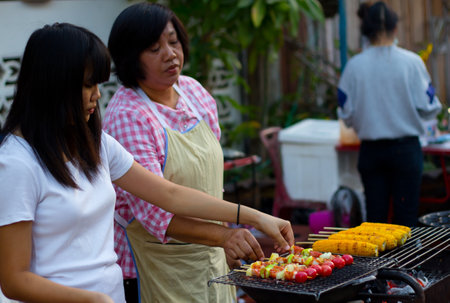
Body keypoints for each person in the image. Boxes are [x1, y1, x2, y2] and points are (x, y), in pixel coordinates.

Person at [0, 23, 294, 303]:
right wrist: (90, 298)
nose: (97, 96)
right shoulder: (17, 163)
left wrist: (256, 217)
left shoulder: (97, 145)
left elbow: (170, 195)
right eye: (88, 85)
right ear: (53, 85)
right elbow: (14, 279)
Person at [103, 3, 266, 302]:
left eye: (173, 41)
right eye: (154, 48)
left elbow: (210, 185)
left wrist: (228, 236)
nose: (170, 54)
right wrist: (229, 234)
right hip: (158, 264)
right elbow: (158, 214)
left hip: (214, 252)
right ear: (130, 57)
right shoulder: (127, 114)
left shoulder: (193, 92)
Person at [337, 1, 442, 227]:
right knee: (406, 219)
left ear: (366, 31)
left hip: (371, 152)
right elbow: (430, 107)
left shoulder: (354, 67)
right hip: (406, 150)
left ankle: (376, 264)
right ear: (395, 29)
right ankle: (409, 263)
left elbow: (345, 113)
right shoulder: (412, 62)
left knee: (375, 221)